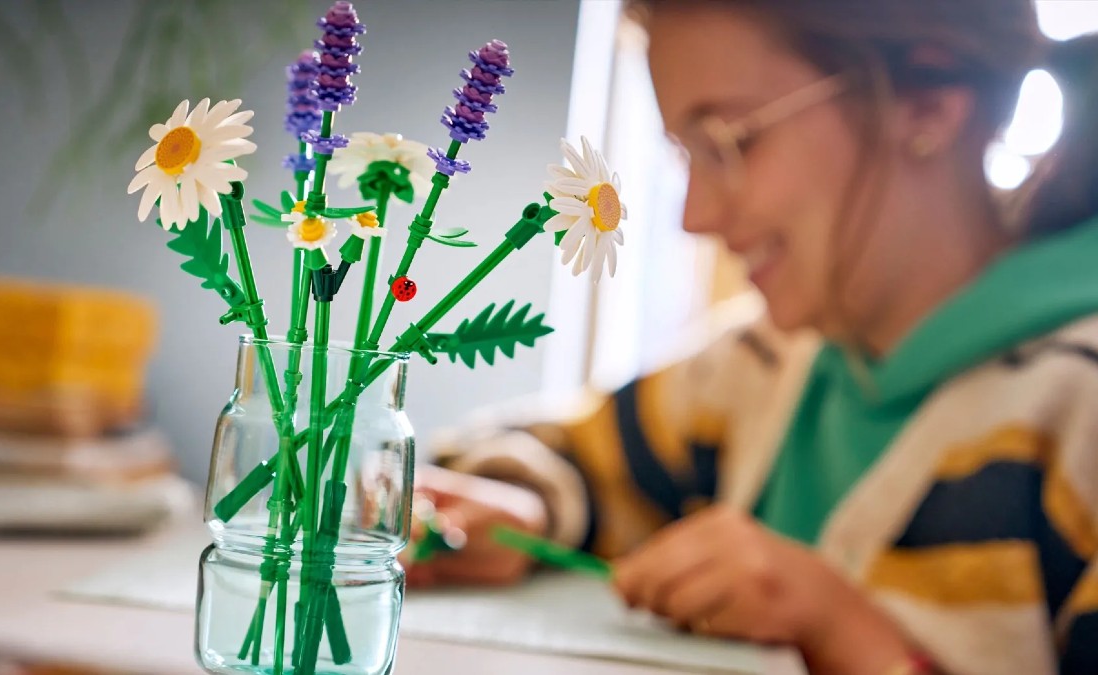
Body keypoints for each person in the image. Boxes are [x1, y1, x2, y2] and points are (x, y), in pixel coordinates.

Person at [404, 1, 1098, 674]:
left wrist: (841, 631)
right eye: (685, 155)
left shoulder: (1077, 415)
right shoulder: (761, 367)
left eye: (730, 140)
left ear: (928, 103)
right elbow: (565, 457)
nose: (694, 215)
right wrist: (528, 506)